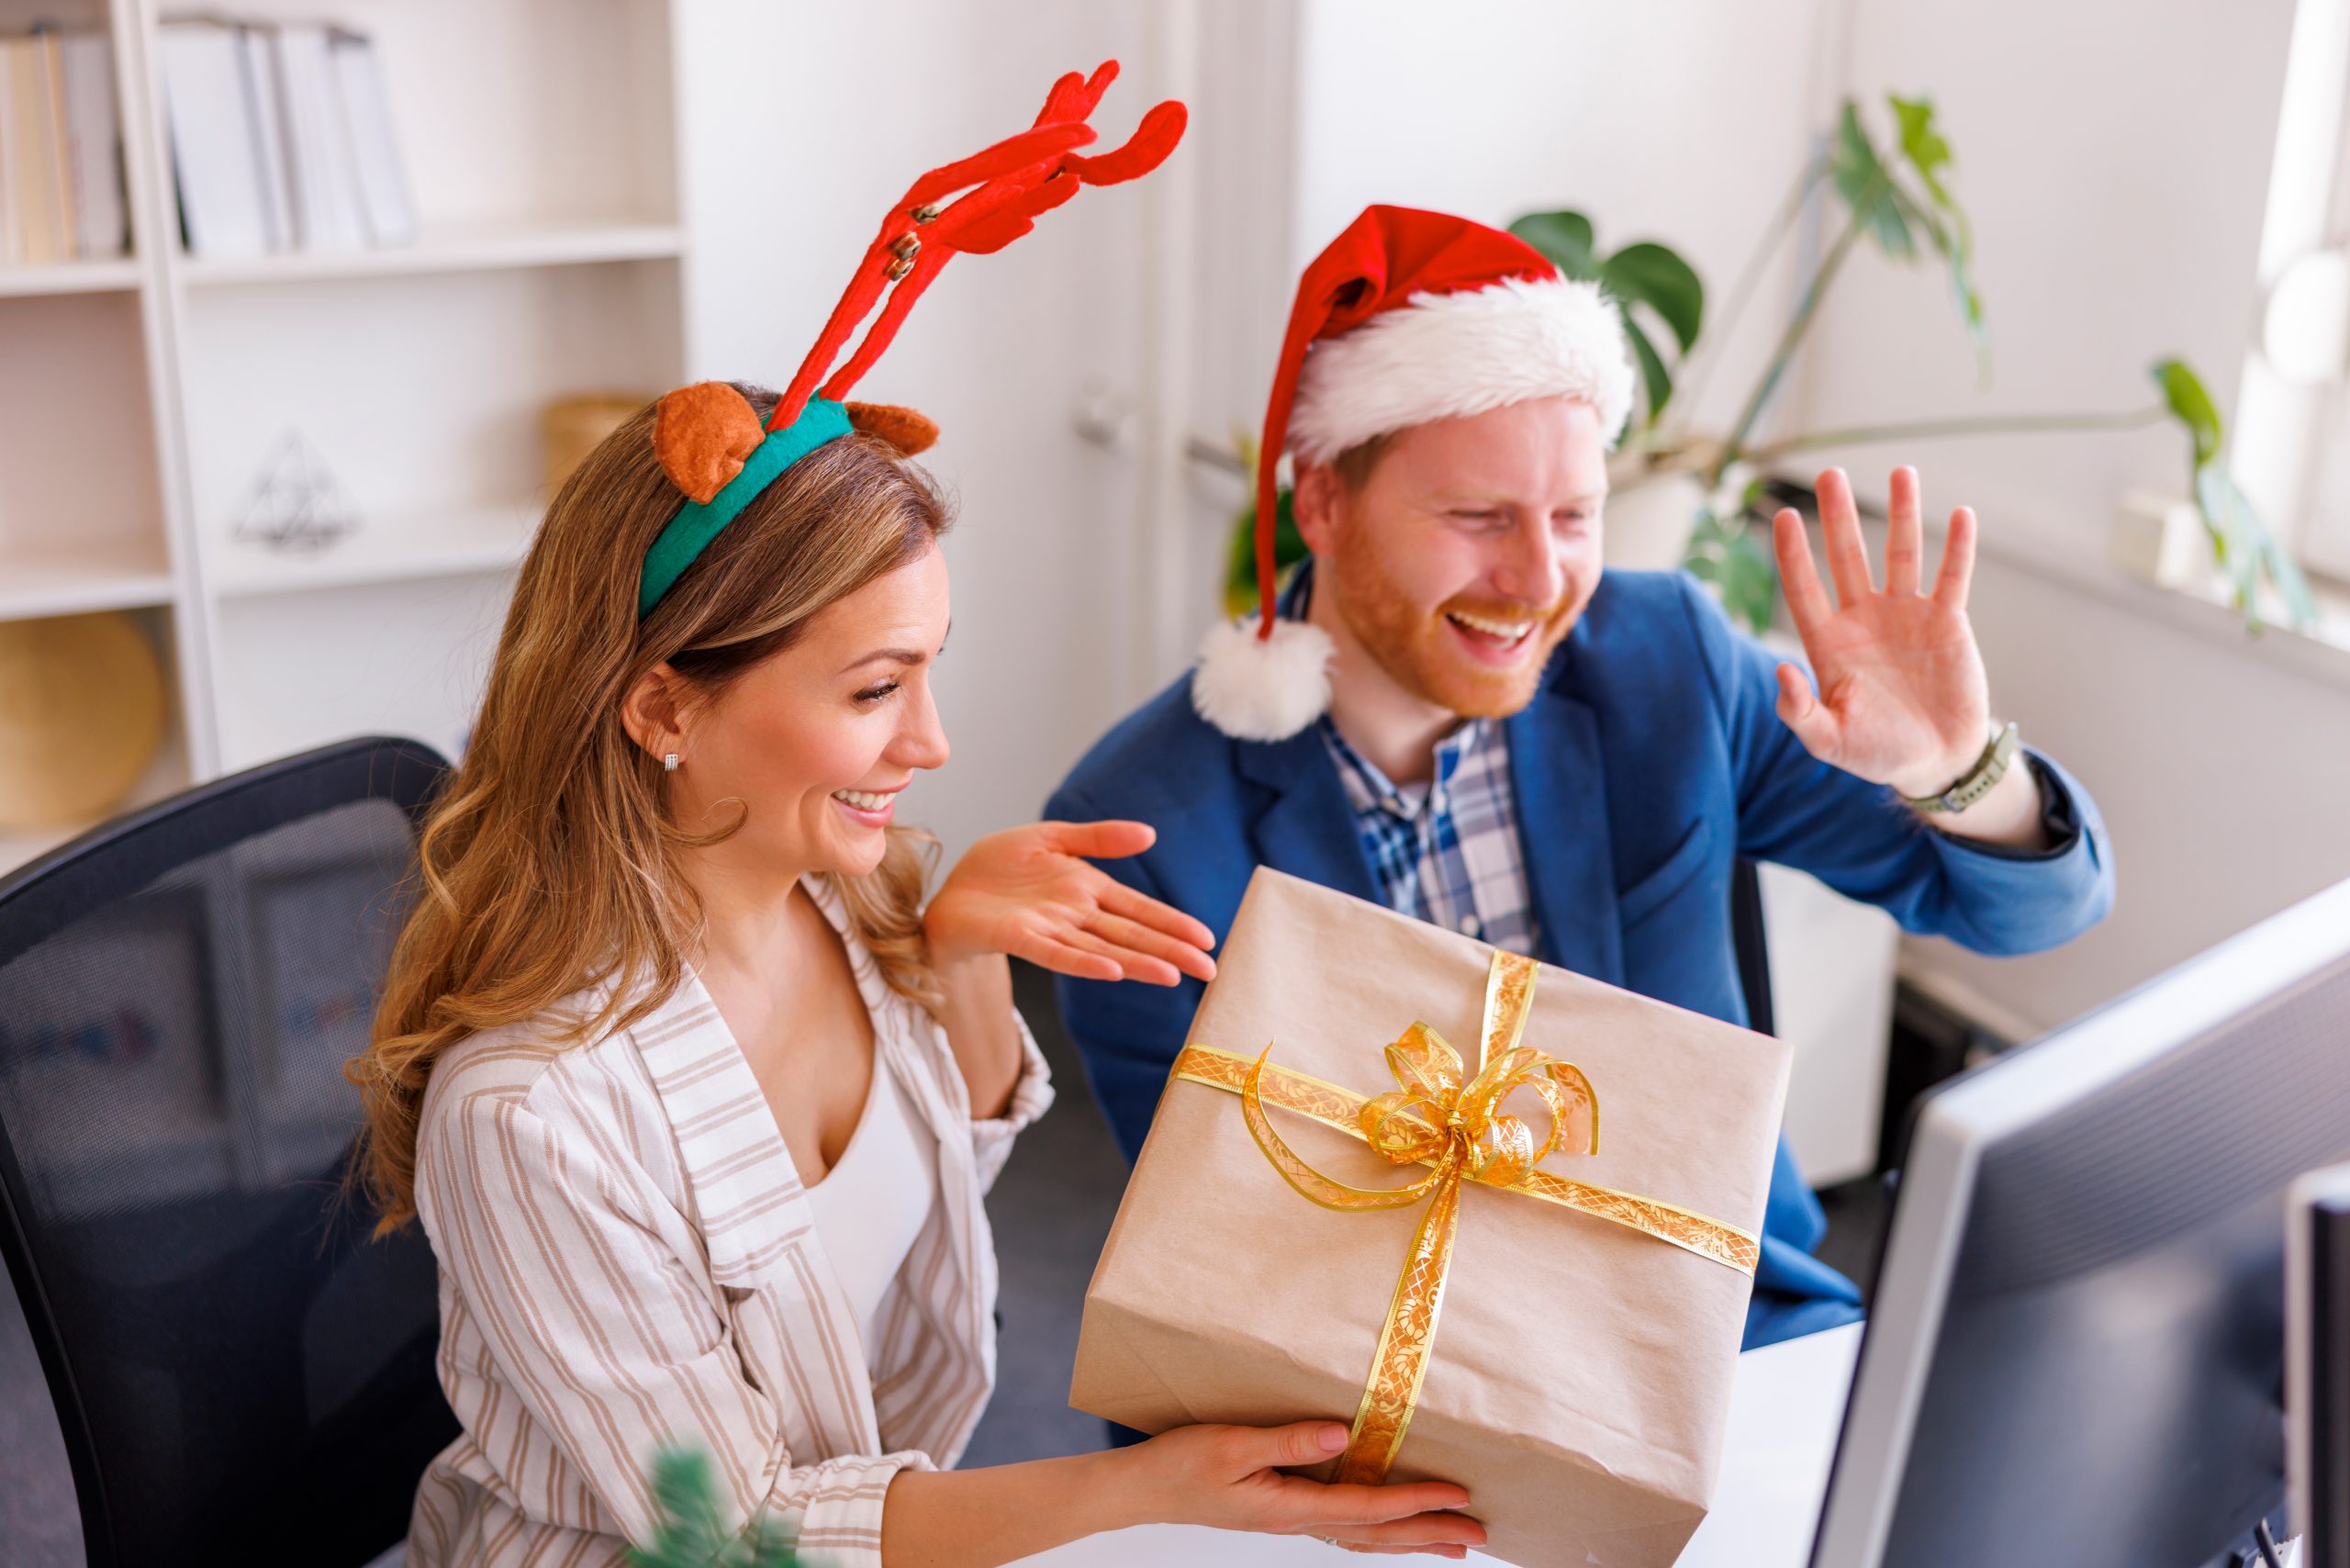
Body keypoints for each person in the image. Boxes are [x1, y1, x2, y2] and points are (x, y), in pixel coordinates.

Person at [345, 84, 1486, 1568]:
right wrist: (1143, 1487)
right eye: (876, 686)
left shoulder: (839, 888)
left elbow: (908, 1212)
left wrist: (957, 965)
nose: (935, 744)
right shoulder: (536, 1115)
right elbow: (732, 1524)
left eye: (928, 667)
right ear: (662, 708)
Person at [1047, 205, 2115, 1349]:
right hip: (1365, 1374)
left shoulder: (1664, 658)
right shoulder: (1141, 831)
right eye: (1477, 517)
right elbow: (1226, 1251)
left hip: (1713, 1314)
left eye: (1575, 515)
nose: (1540, 578)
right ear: (1323, 503)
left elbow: (2037, 911)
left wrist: (1952, 769)